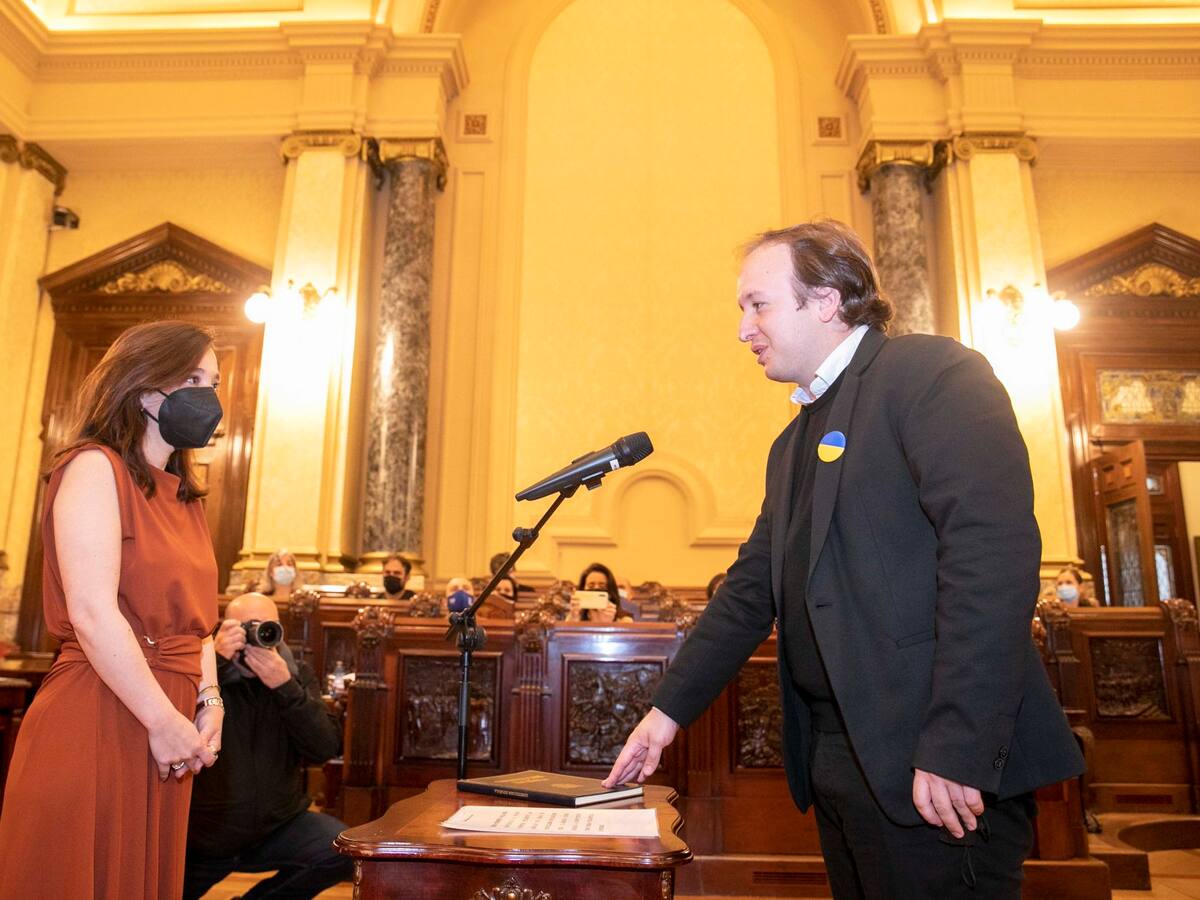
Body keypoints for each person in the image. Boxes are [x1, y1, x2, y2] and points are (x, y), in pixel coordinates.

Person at [603, 220, 1084, 898]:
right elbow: (749, 591)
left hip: (935, 766)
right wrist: (666, 713)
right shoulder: (792, 443)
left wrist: (957, 748)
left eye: (758, 303)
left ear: (826, 300)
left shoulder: (930, 375)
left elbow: (992, 562)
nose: (744, 327)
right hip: (841, 763)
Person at [0, 321, 224, 899]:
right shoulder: (93, 467)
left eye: (215, 381)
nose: (211, 396)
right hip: (103, 710)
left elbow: (199, 626)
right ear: (147, 390)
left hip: (169, 726)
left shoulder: (185, 496)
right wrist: (162, 720)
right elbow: (94, 613)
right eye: (194, 378)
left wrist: (209, 702)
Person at [184, 591, 352, 899]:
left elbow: (324, 747)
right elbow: (176, 724)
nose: (256, 636)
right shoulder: (200, 672)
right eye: (246, 627)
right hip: (205, 835)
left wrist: (285, 687)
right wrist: (216, 664)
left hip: (278, 826)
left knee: (343, 850)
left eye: (267, 628)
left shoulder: (294, 674)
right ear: (224, 629)